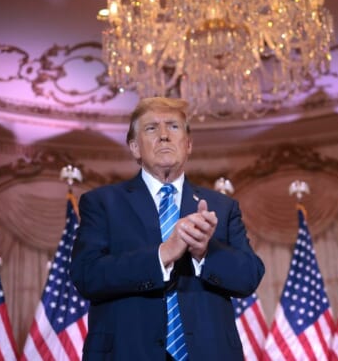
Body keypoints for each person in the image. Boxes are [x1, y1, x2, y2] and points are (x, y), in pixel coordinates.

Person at [71, 97, 265, 360]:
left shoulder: (221, 207)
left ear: (188, 144)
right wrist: (162, 254)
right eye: (151, 128)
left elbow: (249, 277)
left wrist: (203, 252)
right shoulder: (102, 203)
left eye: (173, 127)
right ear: (135, 147)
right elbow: (87, 276)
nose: (164, 136)